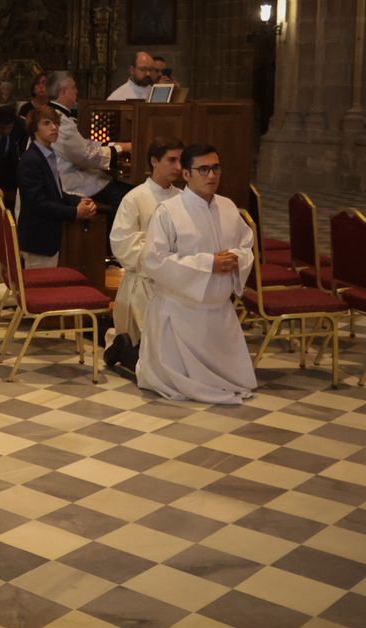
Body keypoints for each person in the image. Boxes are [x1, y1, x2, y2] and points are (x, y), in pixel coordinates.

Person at [137, 143, 256, 404]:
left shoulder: (227, 207)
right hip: (181, 311)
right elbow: (154, 260)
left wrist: (237, 258)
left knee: (231, 382)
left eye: (215, 168)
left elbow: (247, 244)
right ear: (187, 175)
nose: (211, 175)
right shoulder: (169, 211)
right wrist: (208, 264)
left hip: (218, 309)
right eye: (203, 169)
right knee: (181, 382)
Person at [105, 137, 182, 373]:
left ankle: (124, 350)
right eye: (171, 160)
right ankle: (123, 350)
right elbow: (121, 243)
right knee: (151, 354)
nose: (178, 167)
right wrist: (158, 259)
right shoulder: (135, 198)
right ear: (154, 161)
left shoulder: (183, 198)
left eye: (181, 160)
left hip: (175, 282)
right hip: (144, 283)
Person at [17, 105, 96, 268]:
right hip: (37, 240)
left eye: (56, 123)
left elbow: (56, 194)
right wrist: (75, 212)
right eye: (47, 123)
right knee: (39, 291)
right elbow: (37, 203)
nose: (54, 128)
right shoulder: (31, 159)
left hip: (47, 238)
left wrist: (79, 201)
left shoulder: (48, 155)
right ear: (35, 128)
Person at [47, 70, 131, 209]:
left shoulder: (59, 115)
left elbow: (84, 144)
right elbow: (84, 155)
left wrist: (115, 144)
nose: (77, 91)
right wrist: (121, 149)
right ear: (63, 92)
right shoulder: (58, 120)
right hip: (67, 181)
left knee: (119, 186)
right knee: (123, 196)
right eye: (73, 87)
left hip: (72, 171)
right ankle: (113, 231)